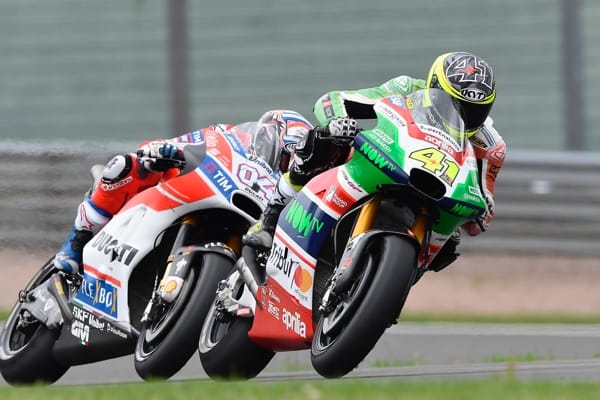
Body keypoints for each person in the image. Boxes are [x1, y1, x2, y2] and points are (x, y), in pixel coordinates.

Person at [244, 51, 506, 272]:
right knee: (327, 141)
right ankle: (271, 217)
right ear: (434, 86)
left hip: (433, 193)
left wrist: (481, 211)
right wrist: (338, 122)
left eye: (475, 111)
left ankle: (388, 279)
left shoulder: (490, 146)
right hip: (385, 160)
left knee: (451, 242)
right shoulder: (407, 89)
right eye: (455, 104)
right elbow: (333, 101)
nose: (463, 115)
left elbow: (482, 206)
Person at [52, 109, 355, 274]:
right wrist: (162, 152)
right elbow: (170, 145)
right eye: (287, 156)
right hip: (182, 189)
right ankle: (77, 240)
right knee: (125, 166)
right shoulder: (227, 136)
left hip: (244, 218)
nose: (289, 164)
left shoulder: (292, 188)